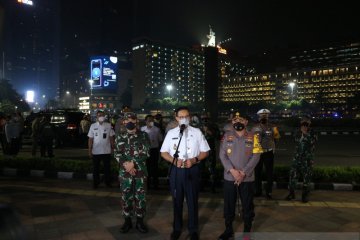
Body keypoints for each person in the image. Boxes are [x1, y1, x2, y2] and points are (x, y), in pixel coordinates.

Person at [160, 106, 210, 240]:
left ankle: (193, 230)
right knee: (177, 201)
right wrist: (173, 161)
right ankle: (177, 228)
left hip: (192, 170)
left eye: (186, 116)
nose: (184, 119)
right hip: (177, 171)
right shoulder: (171, 133)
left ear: (190, 117)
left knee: (192, 201)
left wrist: (195, 160)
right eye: (181, 117)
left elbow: (205, 151)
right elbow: (163, 152)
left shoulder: (197, 132)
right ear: (176, 118)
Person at [218, 111, 263, 240]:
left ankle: (247, 231)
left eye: (241, 120)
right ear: (232, 122)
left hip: (247, 177)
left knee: (247, 205)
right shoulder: (226, 136)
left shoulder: (253, 136)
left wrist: (243, 172)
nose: (237, 122)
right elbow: (222, 155)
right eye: (234, 120)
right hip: (229, 177)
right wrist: (232, 170)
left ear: (246, 122)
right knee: (229, 205)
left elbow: (256, 156)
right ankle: (228, 230)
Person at [114, 112, 151, 234]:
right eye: (127, 120)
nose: (130, 122)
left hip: (140, 172)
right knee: (126, 197)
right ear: (123, 122)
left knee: (140, 197)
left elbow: (146, 153)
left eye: (132, 120)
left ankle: (140, 221)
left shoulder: (144, 135)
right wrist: (126, 164)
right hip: (125, 173)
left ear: (136, 122)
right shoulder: (120, 136)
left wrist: (132, 163)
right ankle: (127, 221)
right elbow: (117, 153)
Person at [286, 116, 317, 203]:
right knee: (293, 177)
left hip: (307, 160)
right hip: (297, 158)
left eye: (307, 122)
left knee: (306, 178)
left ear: (310, 123)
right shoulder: (297, 131)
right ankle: (291, 194)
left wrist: (306, 133)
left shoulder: (313, 132)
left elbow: (312, 142)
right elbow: (296, 140)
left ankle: (305, 195)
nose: (305, 124)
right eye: (303, 122)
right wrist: (302, 133)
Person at [252, 109, 280, 199]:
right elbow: (252, 140)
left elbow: (277, 138)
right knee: (257, 173)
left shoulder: (273, 127)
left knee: (269, 173)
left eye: (265, 116)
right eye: (262, 116)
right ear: (259, 117)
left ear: (268, 117)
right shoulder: (255, 127)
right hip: (258, 153)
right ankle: (258, 191)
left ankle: (269, 192)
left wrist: (272, 145)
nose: (263, 117)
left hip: (268, 152)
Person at [88, 111, 115, 189]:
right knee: (95, 169)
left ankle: (108, 183)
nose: (101, 117)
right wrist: (89, 150)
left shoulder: (109, 125)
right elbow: (90, 139)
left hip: (106, 151)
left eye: (102, 115)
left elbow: (111, 137)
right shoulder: (93, 126)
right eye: (99, 115)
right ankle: (95, 183)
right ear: (96, 117)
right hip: (96, 151)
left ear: (105, 116)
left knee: (107, 168)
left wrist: (113, 147)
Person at [141, 114, 163, 189]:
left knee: (154, 168)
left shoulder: (157, 129)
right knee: (146, 167)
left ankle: (155, 184)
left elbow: (160, 141)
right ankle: (147, 184)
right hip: (145, 150)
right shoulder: (142, 129)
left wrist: (160, 152)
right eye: (148, 120)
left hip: (154, 150)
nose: (150, 122)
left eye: (151, 120)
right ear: (145, 121)